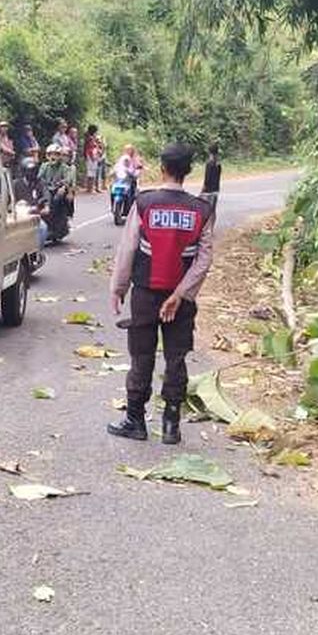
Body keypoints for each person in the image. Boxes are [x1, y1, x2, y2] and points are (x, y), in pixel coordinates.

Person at [108, 143, 215, 445]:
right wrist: (180, 294)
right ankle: (171, 424)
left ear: (162, 168)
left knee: (141, 356)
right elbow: (203, 260)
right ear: (188, 171)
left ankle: (135, 420)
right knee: (176, 358)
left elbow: (128, 248)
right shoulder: (202, 210)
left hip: (145, 293)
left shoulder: (145, 203)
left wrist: (118, 288)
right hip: (181, 302)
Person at [201, 143, 222, 214]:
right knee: (213, 210)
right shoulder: (218, 164)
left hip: (208, 190)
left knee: (207, 210)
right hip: (216, 189)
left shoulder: (209, 163)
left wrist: (203, 188)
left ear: (209, 152)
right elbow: (218, 177)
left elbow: (207, 178)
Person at [83, 125, 104, 194]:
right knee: (91, 172)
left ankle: (90, 188)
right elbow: (89, 149)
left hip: (93, 156)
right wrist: (92, 157)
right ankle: (90, 188)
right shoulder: (89, 139)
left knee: (92, 172)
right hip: (91, 156)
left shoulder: (92, 138)